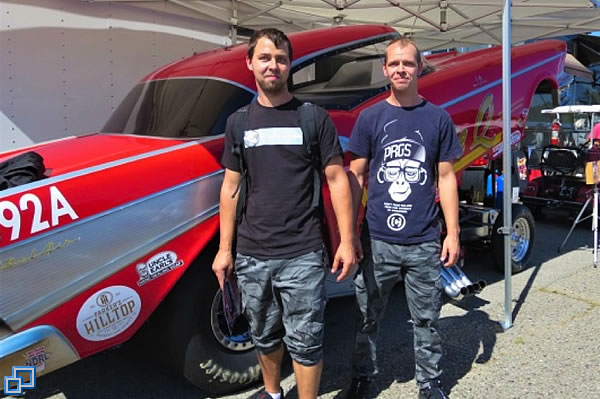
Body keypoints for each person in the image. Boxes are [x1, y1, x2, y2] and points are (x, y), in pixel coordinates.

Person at [212, 28, 356, 399]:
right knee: (263, 333)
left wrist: (347, 241)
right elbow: (230, 188)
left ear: (290, 65)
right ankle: (273, 392)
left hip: (303, 253)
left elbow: (337, 180)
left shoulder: (313, 118)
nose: (273, 65)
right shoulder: (238, 123)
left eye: (280, 58)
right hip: (252, 254)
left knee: (306, 340)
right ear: (250, 63)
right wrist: (225, 249)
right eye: (264, 57)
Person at [345, 37, 463, 399]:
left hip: (424, 239)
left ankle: (429, 382)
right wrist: (349, 234)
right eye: (394, 64)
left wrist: (453, 234)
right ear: (385, 69)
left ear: (419, 68)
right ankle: (363, 377)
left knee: (427, 319)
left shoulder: (438, 118)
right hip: (377, 238)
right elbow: (356, 175)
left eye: (408, 64)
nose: (401, 70)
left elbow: (446, 177)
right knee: (367, 317)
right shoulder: (371, 117)